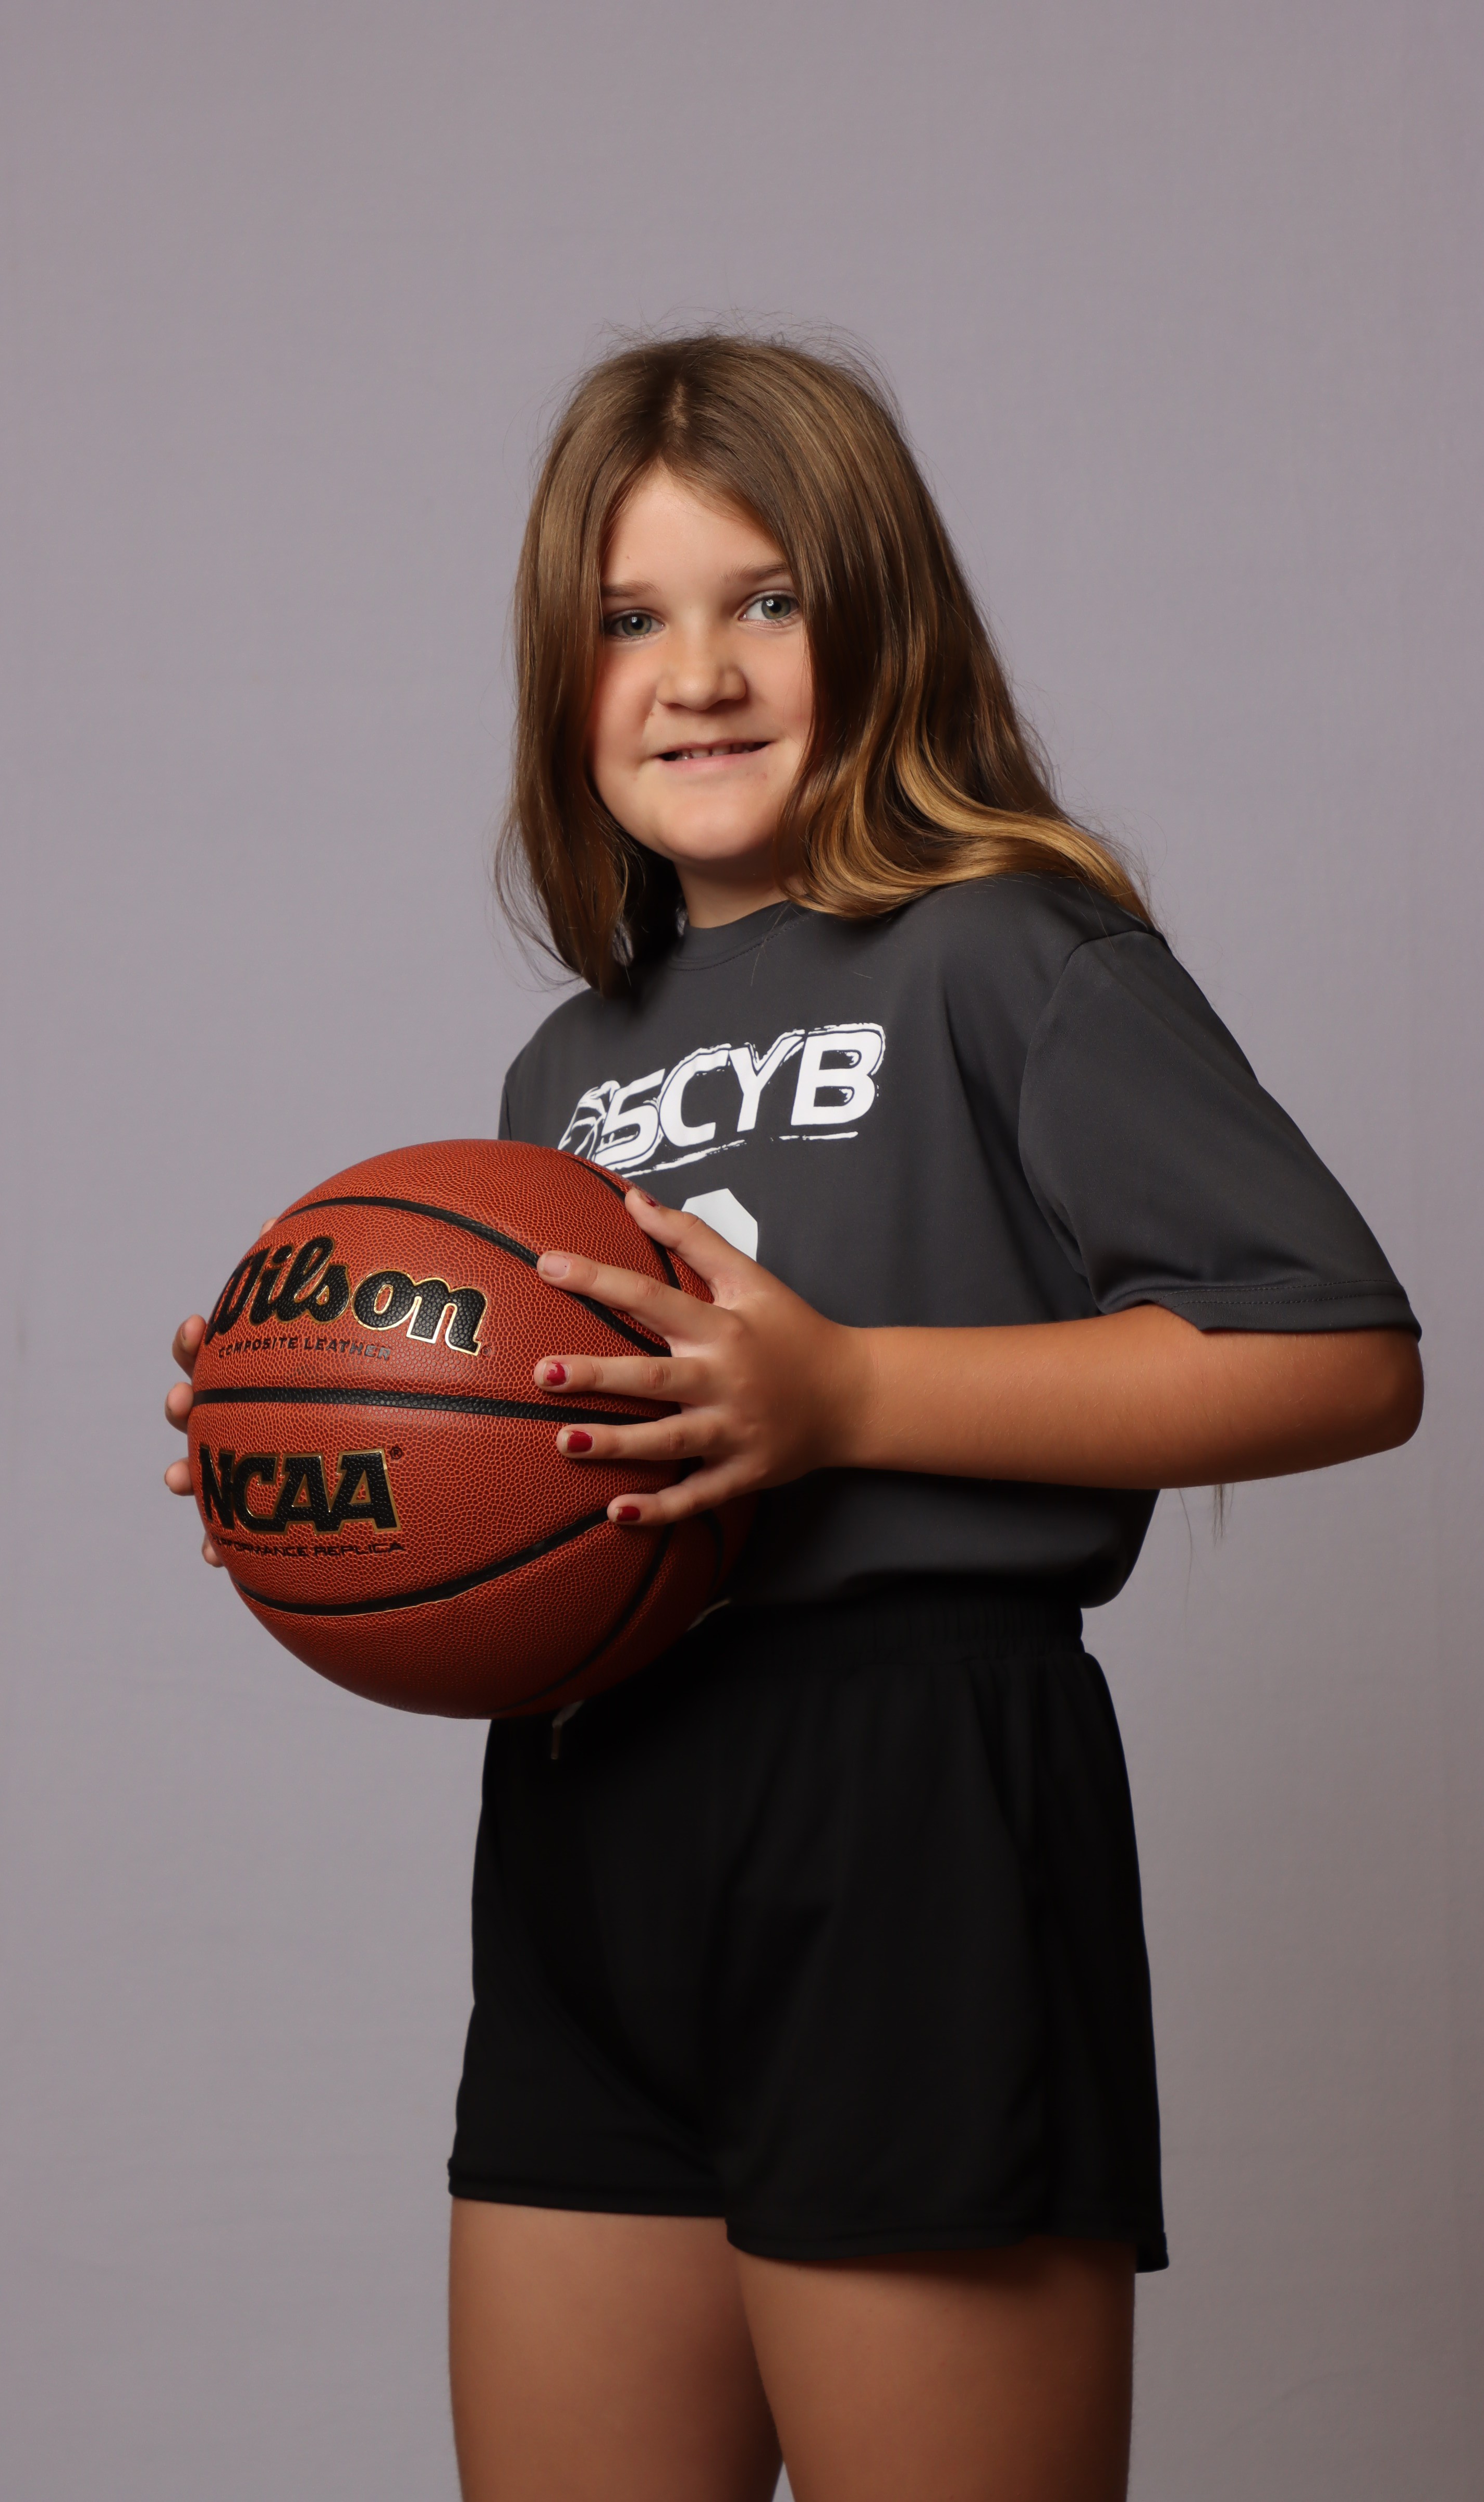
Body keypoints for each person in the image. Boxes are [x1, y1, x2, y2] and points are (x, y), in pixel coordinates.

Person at [164, 335, 1422, 2501]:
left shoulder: (1007, 951)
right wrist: (317, 1457)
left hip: (911, 1801)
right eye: (627, 620)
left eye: (767, 600)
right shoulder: (568, 1063)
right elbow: (536, 1449)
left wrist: (840, 1392)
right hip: (594, 1805)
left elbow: (1337, 1350)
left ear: (882, 622)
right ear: (561, 678)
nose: (699, 674)